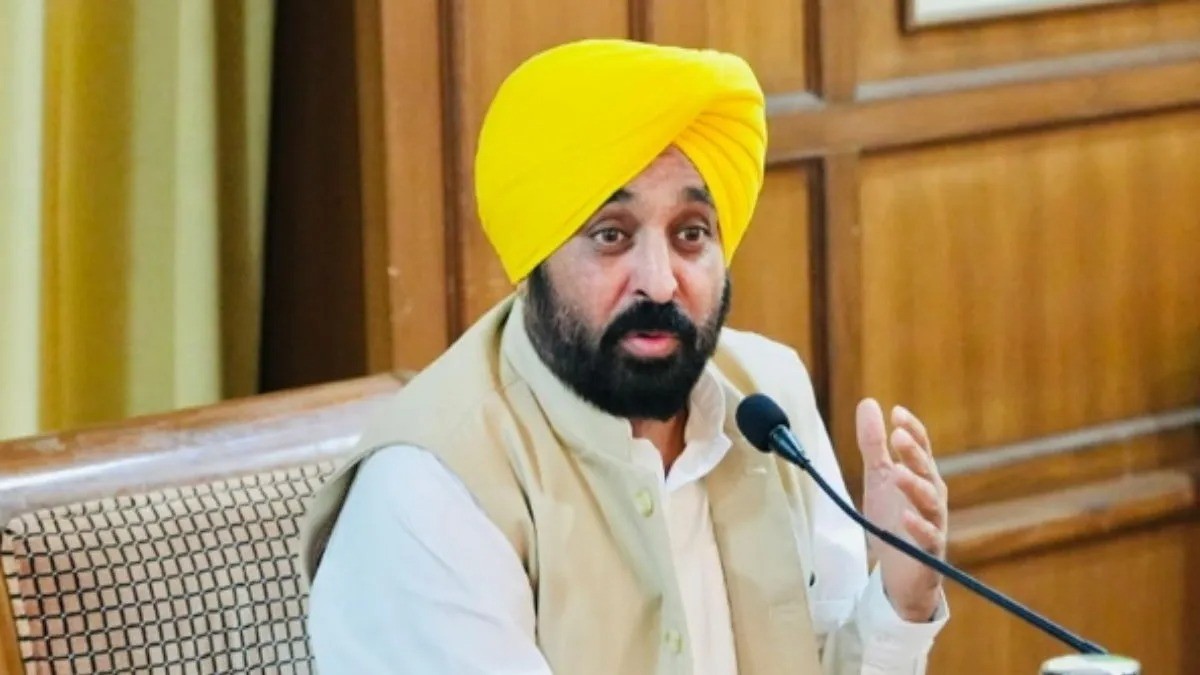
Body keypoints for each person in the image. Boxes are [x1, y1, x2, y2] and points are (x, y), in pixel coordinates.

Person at [300, 38, 949, 674]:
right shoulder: (430, 492)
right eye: (611, 236)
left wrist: (901, 602)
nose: (660, 283)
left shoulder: (766, 402)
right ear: (532, 260)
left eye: (690, 233)